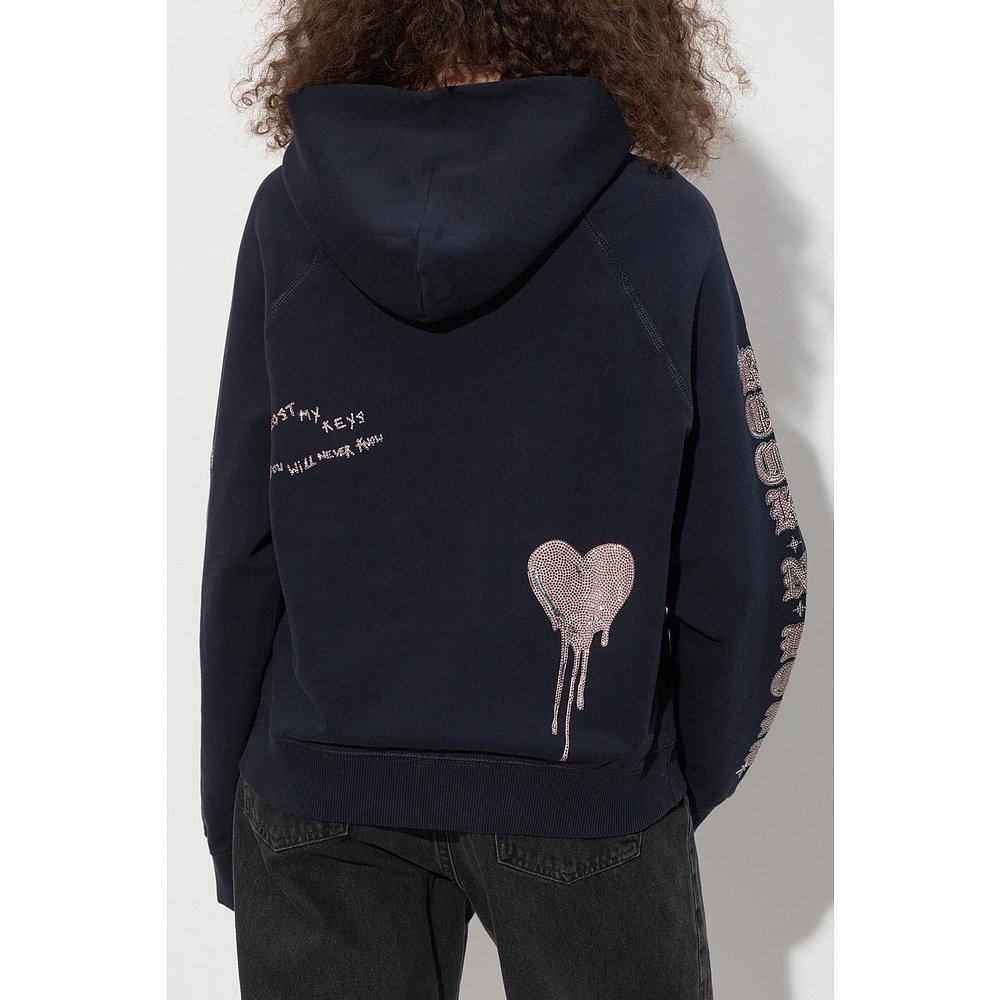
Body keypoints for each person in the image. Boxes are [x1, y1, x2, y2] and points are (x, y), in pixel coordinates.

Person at [200, 2, 807, 997]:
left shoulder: (289, 214)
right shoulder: (659, 225)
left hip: (314, 792)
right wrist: (654, 785)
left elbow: (242, 540)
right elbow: (744, 567)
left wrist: (227, 807)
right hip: (584, 787)